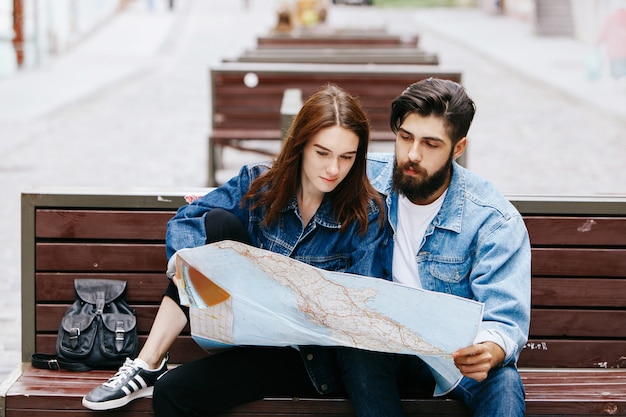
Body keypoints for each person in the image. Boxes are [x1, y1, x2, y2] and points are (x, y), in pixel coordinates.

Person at [82, 84, 390, 412]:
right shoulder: (259, 184)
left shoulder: (364, 214)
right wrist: (185, 262)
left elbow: (358, 305)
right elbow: (188, 220)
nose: (333, 169)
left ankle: (155, 369)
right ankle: (148, 361)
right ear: (300, 145)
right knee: (215, 225)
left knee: (172, 391)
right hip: (240, 323)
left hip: (302, 353)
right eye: (322, 152)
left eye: (347, 157)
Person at [335, 78, 531, 416]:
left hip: (453, 355)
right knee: (360, 347)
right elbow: (284, 181)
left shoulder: (492, 219)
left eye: (430, 144)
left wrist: (490, 349)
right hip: (382, 353)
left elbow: (505, 319)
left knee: (504, 383)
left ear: (458, 148)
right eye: (406, 137)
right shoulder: (362, 181)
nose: (412, 154)